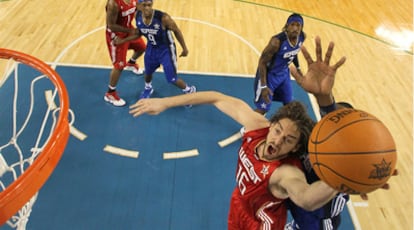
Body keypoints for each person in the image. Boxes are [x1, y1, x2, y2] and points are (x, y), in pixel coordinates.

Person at [129, 36, 345, 229]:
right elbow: (216, 97)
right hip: (240, 205)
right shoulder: (258, 126)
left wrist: (343, 176)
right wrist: (166, 103)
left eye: (288, 140)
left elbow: (306, 198)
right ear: (271, 124)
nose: (278, 140)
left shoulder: (286, 172)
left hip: (263, 224)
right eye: (277, 130)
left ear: (295, 147)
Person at [284, 101, 354, 230]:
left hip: (320, 219)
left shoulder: (347, 157)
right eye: (331, 116)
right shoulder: (314, 136)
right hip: (304, 210)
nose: (334, 120)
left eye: (341, 119)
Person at [115, 0, 196, 103]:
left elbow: (176, 30)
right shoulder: (138, 16)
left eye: (149, 5)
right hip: (151, 48)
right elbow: (139, 33)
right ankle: (148, 88)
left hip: (166, 50)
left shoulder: (163, 18)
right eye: (144, 5)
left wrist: (184, 48)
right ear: (139, 6)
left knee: (172, 79)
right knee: (148, 72)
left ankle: (189, 90)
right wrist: (122, 40)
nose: (147, 8)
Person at [254, 13, 306, 115]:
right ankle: (247, 128)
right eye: (292, 25)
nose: (295, 28)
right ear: (287, 26)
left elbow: (294, 52)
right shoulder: (276, 42)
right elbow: (262, 62)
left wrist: (298, 68)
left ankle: (282, 126)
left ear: (301, 27)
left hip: (284, 75)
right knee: (263, 108)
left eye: (298, 25)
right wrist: (264, 86)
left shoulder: (302, 37)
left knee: (289, 104)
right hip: (270, 76)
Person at [104, 0, 147, 107]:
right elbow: (111, 25)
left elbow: (136, 10)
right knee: (119, 66)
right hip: (116, 36)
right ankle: (110, 93)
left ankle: (131, 63)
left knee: (141, 47)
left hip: (128, 30)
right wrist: (130, 31)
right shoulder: (113, 4)